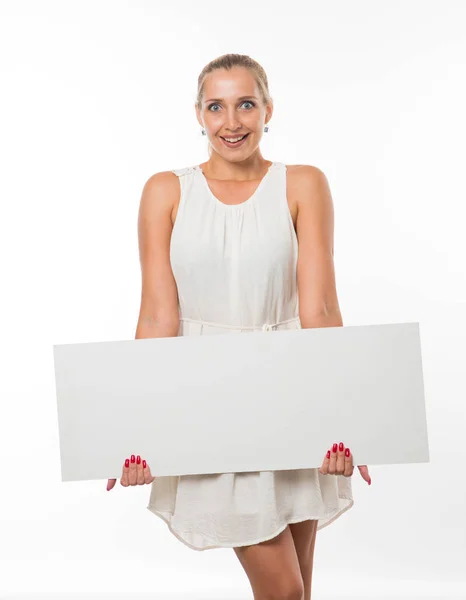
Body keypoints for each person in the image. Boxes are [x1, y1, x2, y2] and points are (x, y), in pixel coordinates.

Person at [107, 53, 371, 600]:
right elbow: (158, 314)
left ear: (268, 109)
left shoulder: (303, 184)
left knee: (298, 590)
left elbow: (320, 308)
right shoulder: (166, 190)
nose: (232, 122)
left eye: (246, 104)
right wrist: (131, 426)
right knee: (285, 590)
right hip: (210, 403)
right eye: (217, 106)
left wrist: (350, 416)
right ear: (199, 115)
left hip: (295, 393)